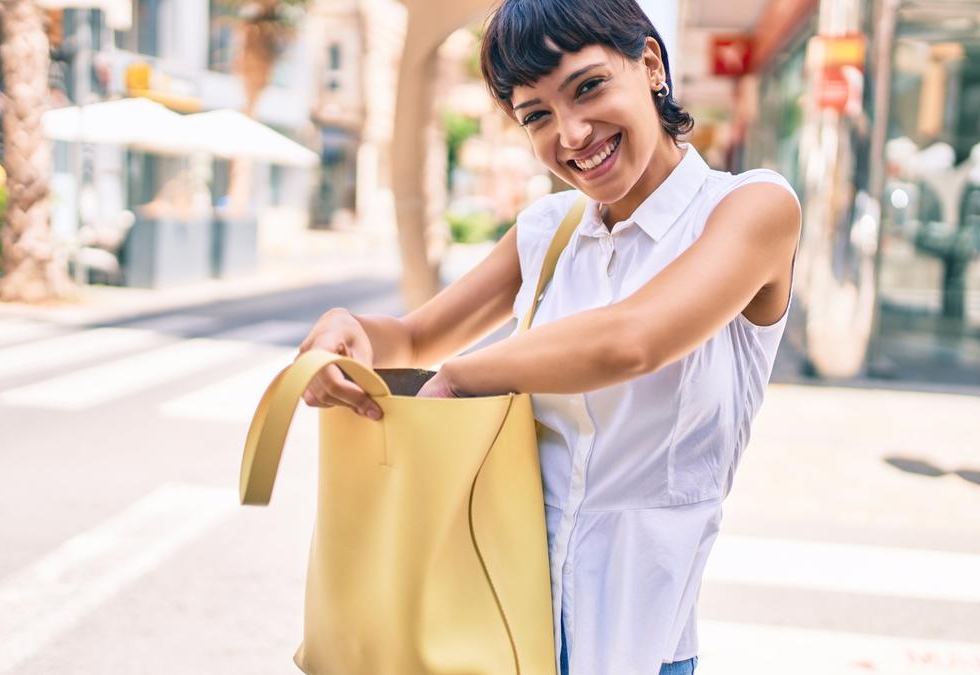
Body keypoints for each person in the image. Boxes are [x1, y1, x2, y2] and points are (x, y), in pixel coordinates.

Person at [295, 0, 802, 673]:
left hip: (641, 648)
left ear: (650, 64)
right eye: (536, 115)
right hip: (498, 625)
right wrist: (345, 331)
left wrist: (466, 375)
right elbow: (416, 335)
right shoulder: (548, 231)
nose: (571, 132)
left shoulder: (751, 208)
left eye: (588, 87)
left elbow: (632, 340)